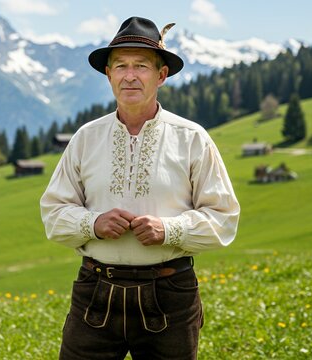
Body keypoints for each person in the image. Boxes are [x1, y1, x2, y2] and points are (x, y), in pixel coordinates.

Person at [40, 16, 240, 360]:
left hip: (170, 293)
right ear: (108, 74)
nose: (129, 75)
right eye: (120, 66)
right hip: (96, 291)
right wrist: (93, 224)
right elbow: (53, 214)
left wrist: (169, 229)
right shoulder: (86, 138)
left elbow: (224, 219)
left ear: (161, 75)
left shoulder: (192, 138)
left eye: (141, 66)